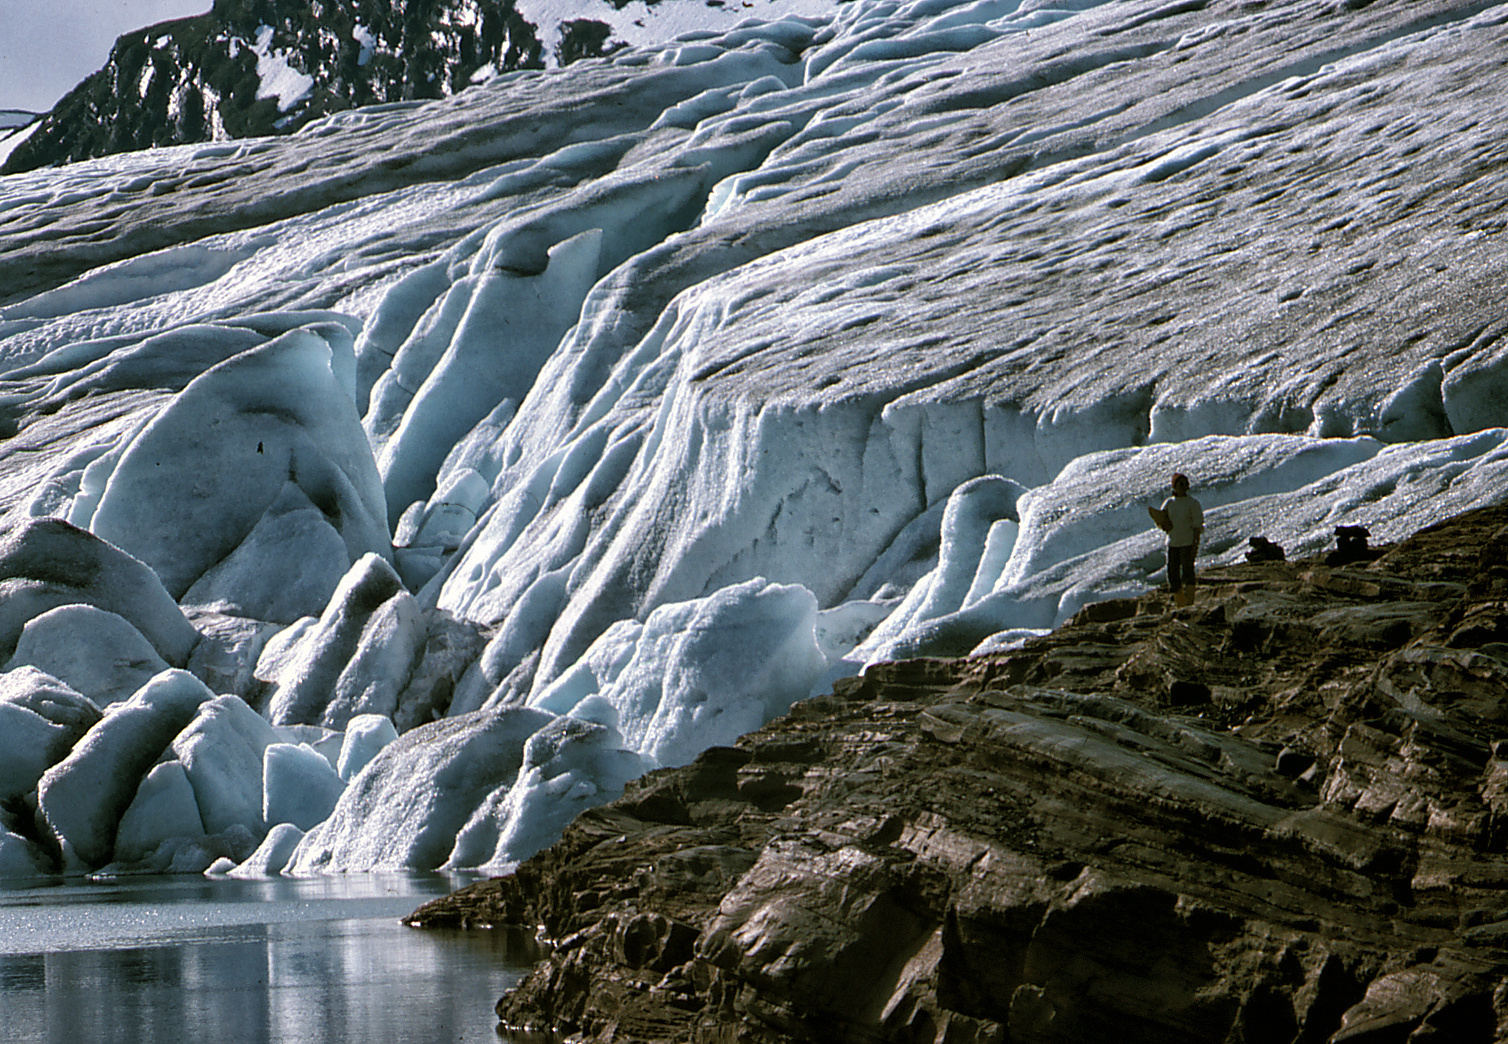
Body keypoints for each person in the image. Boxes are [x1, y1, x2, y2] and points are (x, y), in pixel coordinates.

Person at [1148, 472, 1203, 606]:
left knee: (1188, 572)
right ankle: (1181, 603)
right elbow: (1161, 520)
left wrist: (1195, 545)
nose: (1183, 486)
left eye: (1185, 484)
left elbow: (1198, 526)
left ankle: (1189, 602)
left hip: (1187, 543)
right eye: (1180, 484)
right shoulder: (1169, 503)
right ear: (1174, 486)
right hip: (1172, 543)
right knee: (1173, 575)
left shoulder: (1193, 504)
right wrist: (1163, 525)